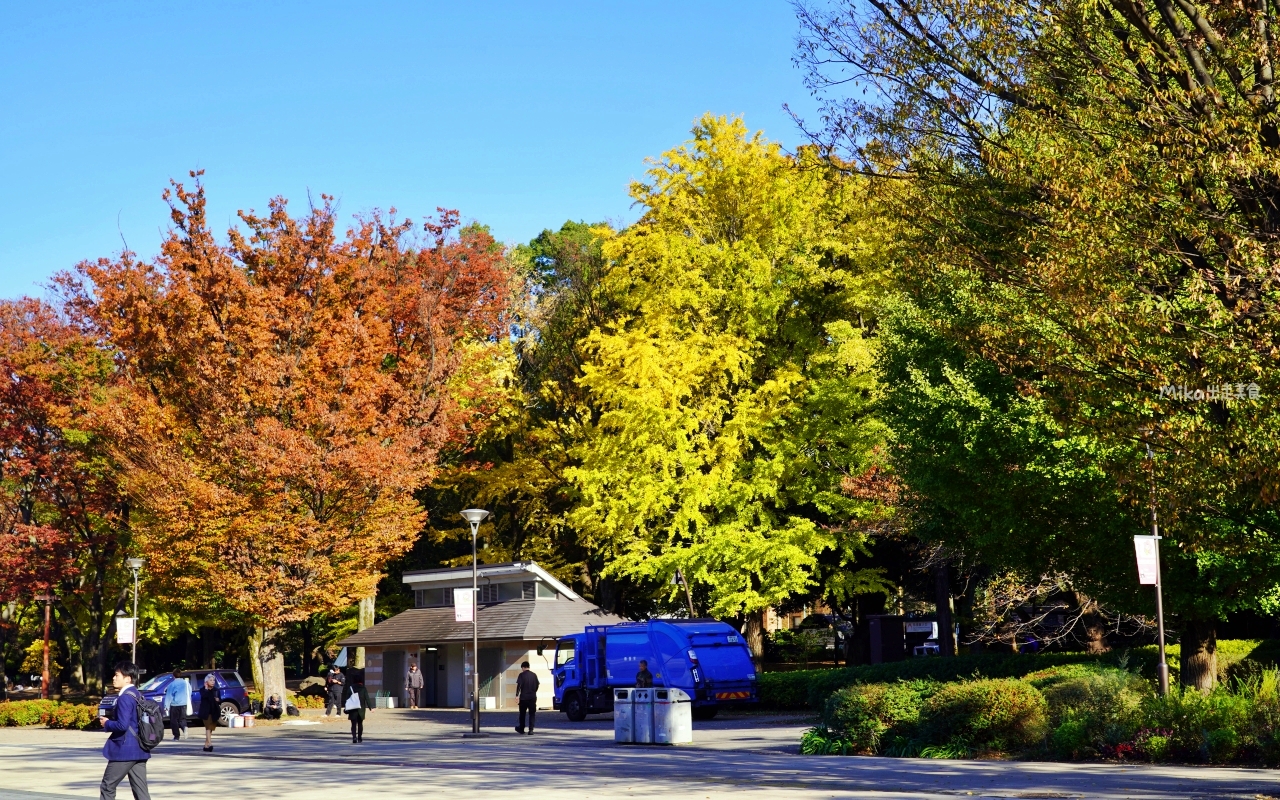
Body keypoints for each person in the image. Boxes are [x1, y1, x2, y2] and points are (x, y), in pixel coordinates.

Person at [97, 660, 151, 800]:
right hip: (140, 748)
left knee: (107, 786)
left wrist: (107, 723)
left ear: (127, 678)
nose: (114, 678)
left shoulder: (125, 698)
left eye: (117, 675)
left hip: (124, 750)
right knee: (141, 790)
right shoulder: (137, 695)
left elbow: (122, 725)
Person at [341, 669, 371, 744]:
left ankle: (354, 737)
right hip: (361, 708)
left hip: (352, 708)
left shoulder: (350, 688)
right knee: (360, 723)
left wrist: (346, 707)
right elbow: (367, 698)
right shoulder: (363, 688)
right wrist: (371, 707)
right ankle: (360, 738)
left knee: (353, 724)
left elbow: (347, 698)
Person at [161, 674, 191, 741]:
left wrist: (166, 705)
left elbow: (169, 696)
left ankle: (176, 736)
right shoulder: (186, 683)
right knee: (182, 719)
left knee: (174, 721)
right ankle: (184, 727)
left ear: (174, 676)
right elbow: (189, 691)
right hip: (183, 704)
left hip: (174, 704)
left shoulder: (172, 684)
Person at [514, 661, 539, 735]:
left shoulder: (521, 675)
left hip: (524, 697)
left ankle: (521, 728)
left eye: (522, 668)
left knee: (522, 714)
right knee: (532, 713)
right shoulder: (534, 675)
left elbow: (519, 686)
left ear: (523, 667)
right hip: (532, 697)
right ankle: (531, 730)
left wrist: (516, 695)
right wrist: (534, 691)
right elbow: (537, 685)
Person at [197, 673, 219, 752]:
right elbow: (204, 696)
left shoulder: (215, 690)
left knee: (211, 729)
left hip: (214, 711)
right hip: (206, 712)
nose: (213, 682)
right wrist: (206, 688)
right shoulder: (203, 690)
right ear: (206, 682)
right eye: (210, 680)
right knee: (208, 727)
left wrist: (218, 700)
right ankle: (210, 743)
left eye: (213, 680)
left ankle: (206, 745)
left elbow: (219, 699)